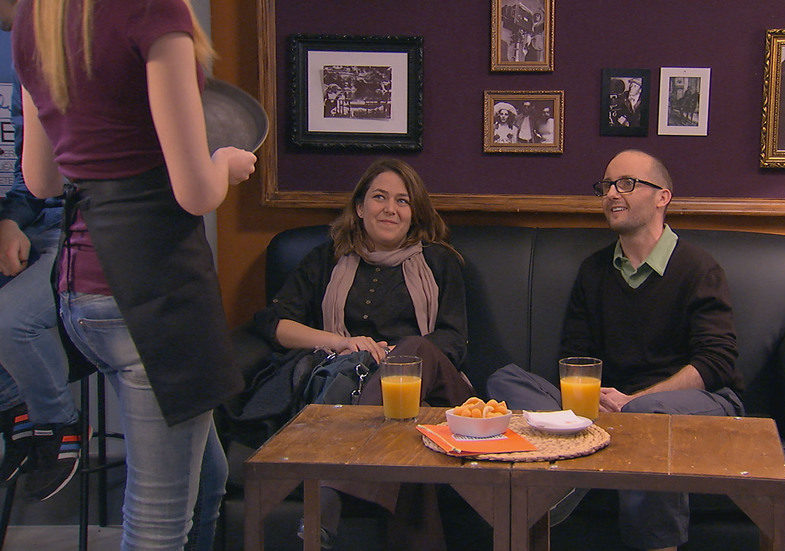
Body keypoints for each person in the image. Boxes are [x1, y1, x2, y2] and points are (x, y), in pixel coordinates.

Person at [13, 0, 257, 549]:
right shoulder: (152, 9)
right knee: (156, 526)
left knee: (208, 481)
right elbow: (196, 193)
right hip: (155, 295)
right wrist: (226, 163)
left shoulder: (37, 16)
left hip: (79, 292)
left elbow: (41, 180)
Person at [486, 149, 744, 551]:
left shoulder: (699, 268)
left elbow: (716, 363)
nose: (611, 194)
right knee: (504, 379)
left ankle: (569, 482)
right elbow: (575, 355)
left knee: (649, 418)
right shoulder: (594, 270)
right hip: (606, 407)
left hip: (689, 403)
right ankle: (584, 459)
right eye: (606, 185)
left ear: (662, 197)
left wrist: (633, 402)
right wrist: (594, 398)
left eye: (626, 183)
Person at [252, 158, 473, 549]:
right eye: (379, 197)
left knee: (412, 353)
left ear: (415, 212)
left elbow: (454, 341)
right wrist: (340, 342)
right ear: (359, 207)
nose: (390, 209)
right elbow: (274, 324)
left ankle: (328, 498)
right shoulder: (326, 259)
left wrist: (393, 356)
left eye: (403, 200)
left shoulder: (441, 261)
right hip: (357, 391)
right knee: (409, 433)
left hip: (440, 389)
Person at [0, 0, 81, 503]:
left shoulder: (59, 45)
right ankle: (18, 412)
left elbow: (46, 179)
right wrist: (9, 221)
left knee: (10, 320)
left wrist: (14, 217)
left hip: (69, 229)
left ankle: (57, 425)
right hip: (27, 225)